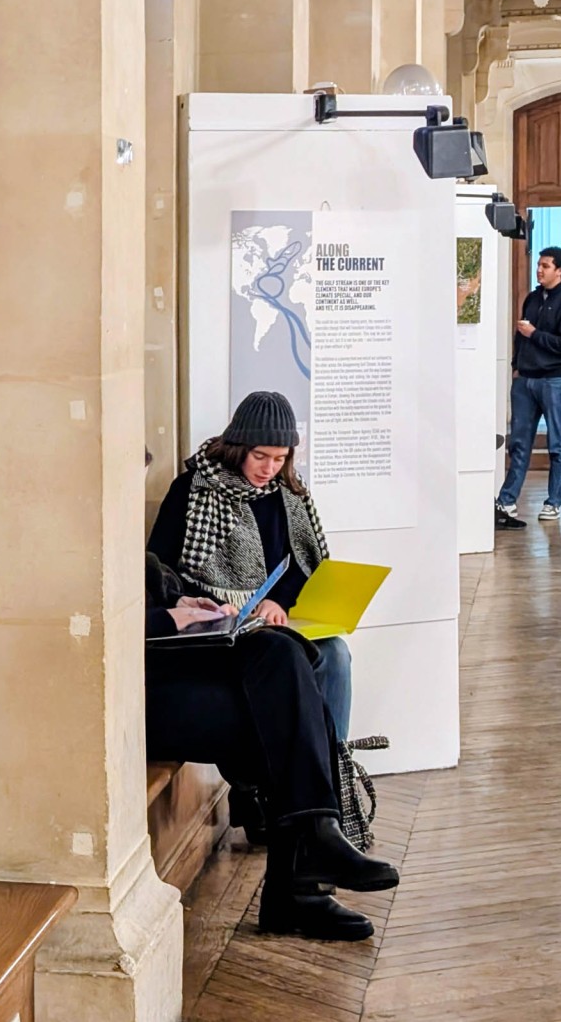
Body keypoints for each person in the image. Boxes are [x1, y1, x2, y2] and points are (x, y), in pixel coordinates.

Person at [145, 549, 400, 941]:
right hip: (133, 690)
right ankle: (301, 882)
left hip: (169, 652)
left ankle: (313, 852)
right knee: (284, 707)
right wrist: (163, 619)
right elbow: (80, 623)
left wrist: (180, 601)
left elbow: (149, 571)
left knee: (280, 651)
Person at [147, 391, 352, 739]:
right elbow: (161, 571)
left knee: (334, 654)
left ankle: (334, 765)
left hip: (274, 621)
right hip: (220, 626)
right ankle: (261, 780)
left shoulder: (288, 494)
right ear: (239, 446)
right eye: (260, 456)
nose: (269, 469)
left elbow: (302, 565)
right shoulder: (191, 491)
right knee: (280, 664)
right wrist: (213, 606)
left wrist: (278, 601)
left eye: (279, 458)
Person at [495, 245, 561, 529]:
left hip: (556, 381)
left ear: (560, 270)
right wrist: (516, 367)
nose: (539, 270)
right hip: (526, 381)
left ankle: (553, 502)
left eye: (545, 266)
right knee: (519, 443)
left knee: (557, 444)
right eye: (538, 264)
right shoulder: (532, 299)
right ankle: (506, 502)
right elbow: (519, 337)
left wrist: (534, 334)